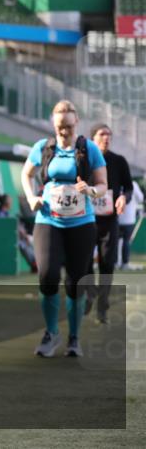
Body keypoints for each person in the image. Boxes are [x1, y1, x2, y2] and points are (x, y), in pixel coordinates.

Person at [21, 100, 107, 358]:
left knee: (75, 282)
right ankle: (51, 333)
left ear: (76, 122)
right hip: (48, 221)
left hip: (81, 223)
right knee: (47, 275)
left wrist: (91, 190)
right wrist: (31, 197)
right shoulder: (43, 148)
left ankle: (74, 337)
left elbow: (103, 183)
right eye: (60, 127)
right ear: (53, 124)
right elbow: (27, 174)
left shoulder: (89, 149)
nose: (64, 132)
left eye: (68, 126)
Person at [85, 123, 133, 324]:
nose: (106, 138)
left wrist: (124, 198)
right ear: (92, 138)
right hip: (85, 220)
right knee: (85, 263)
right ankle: (88, 297)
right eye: (102, 134)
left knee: (107, 264)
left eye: (109, 135)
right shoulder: (83, 159)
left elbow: (129, 188)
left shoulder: (119, 161)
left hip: (109, 221)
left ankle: (102, 308)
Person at [119, 180, 143, 269]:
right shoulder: (133, 184)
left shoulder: (115, 182)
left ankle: (114, 262)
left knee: (114, 242)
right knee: (126, 241)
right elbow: (140, 198)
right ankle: (124, 263)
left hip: (116, 218)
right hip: (128, 219)